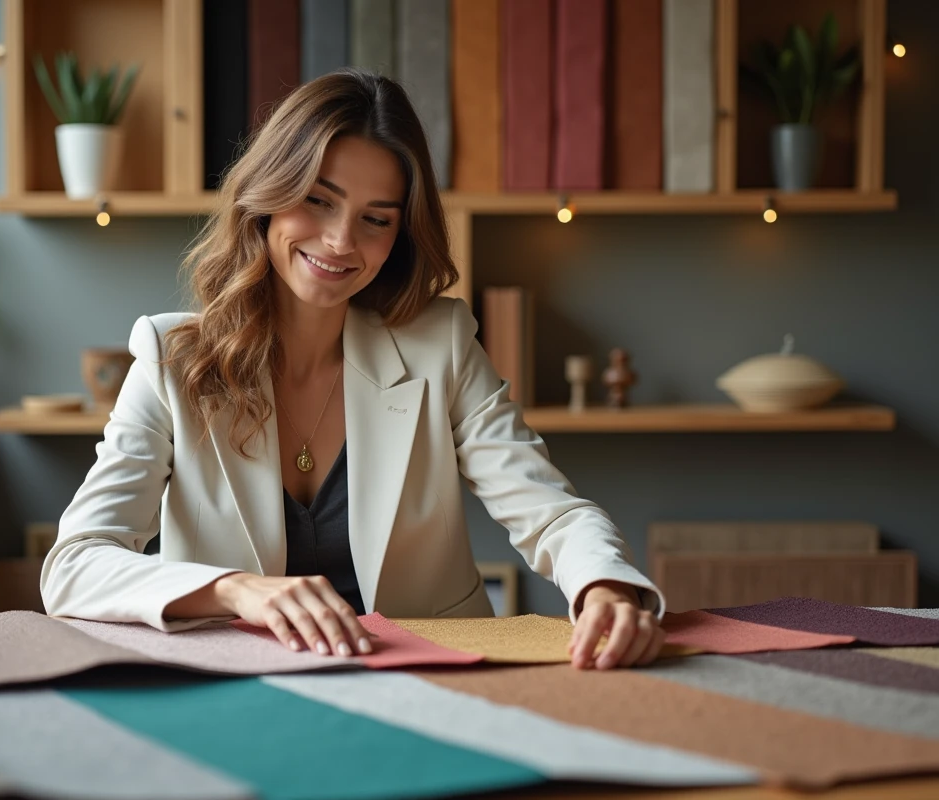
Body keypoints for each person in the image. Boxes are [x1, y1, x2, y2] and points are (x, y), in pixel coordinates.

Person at [41, 69, 667, 670]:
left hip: (427, 680)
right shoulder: (170, 354)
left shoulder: (440, 342)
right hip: (233, 681)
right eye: (318, 200)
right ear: (268, 197)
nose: (341, 240)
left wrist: (605, 588)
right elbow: (75, 564)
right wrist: (237, 591)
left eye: (376, 219)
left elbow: (550, 510)